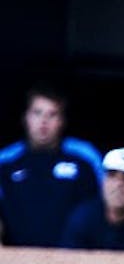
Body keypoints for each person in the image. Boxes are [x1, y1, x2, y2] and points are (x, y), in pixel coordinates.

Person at [0, 85, 103, 248]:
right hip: (19, 260)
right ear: (26, 118)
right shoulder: (6, 160)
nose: (44, 121)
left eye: (52, 114)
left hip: (75, 259)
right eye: (37, 113)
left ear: (62, 121)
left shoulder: (85, 156)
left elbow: (105, 207)